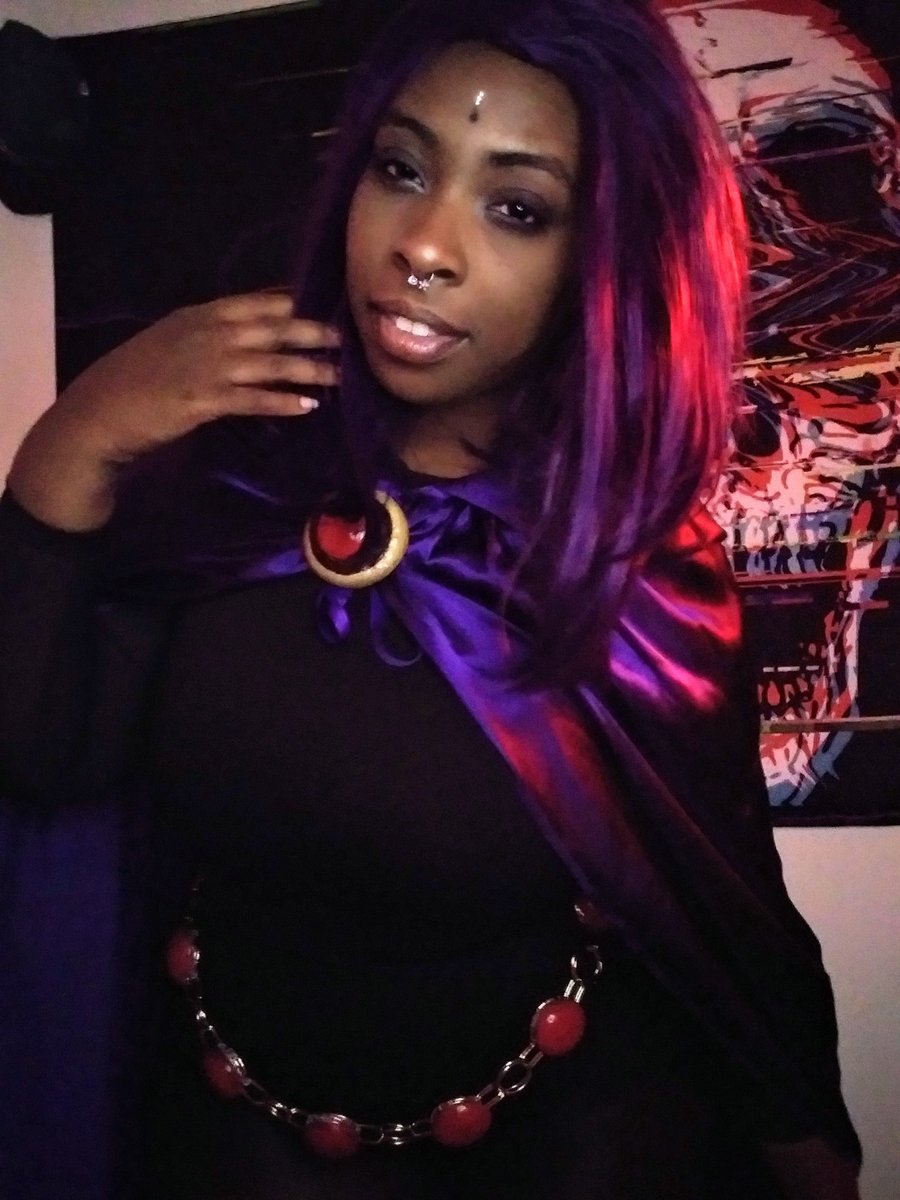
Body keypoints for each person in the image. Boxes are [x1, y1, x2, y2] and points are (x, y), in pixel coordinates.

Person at [0, 0, 862, 1197]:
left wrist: (813, 1163)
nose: (425, 244)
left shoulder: (627, 570)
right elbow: (47, 756)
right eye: (401, 169)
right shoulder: (226, 483)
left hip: (571, 1154)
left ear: (597, 257)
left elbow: (727, 916)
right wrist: (75, 441)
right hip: (228, 1148)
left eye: (518, 209)